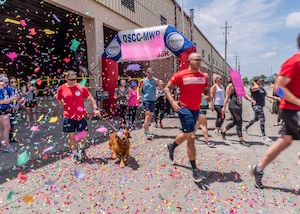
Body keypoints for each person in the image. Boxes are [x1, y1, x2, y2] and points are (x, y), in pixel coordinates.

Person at [249, 33, 300, 189]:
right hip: (293, 110)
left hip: (293, 110)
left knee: (284, 140)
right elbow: (279, 89)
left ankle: (258, 169)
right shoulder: (295, 62)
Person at [165, 52, 213, 182]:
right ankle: (194, 169)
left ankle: (172, 146)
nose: (199, 62)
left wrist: (208, 97)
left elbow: (206, 90)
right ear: (190, 61)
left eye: (200, 60)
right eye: (196, 60)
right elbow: (167, 88)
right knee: (191, 136)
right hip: (184, 108)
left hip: (196, 109)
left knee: (187, 134)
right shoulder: (180, 75)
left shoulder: (203, 76)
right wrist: (172, 101)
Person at [56, 70, 100, 163]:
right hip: (68, 117)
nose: (73, 81)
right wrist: (64, 106)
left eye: (75, 79)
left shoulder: (81, 88)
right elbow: (59, 99)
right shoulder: (61, 88)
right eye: (71, 79)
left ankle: (82, 149)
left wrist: (95, 108)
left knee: (83, 136)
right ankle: (75, 154)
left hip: (81, 116)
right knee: (71, 137)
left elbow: (90, 98)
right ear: (66, 78)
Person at [220, 76, 256, 146]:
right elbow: (227, 96)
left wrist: (251, 100)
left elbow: (244, 95)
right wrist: (224, 107)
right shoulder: (230, 85)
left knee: (235, 122)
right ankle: (241, 140)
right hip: (233, 106)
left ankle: (223, 131)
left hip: (239, 105)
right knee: (239, 122)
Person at [242, 76, 276, 142]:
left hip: (261, 105)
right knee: (262, 119)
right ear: (256, 81)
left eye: (262, 81)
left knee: (256, 119)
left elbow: (266, 94)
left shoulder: (262, 88)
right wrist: (254, 83)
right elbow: (256, 87)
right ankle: (264, 136)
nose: (261, 82)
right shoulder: (253, 88)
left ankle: (245, 128)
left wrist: (275, 98)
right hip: (256, 106)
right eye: (260, 81)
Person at [138, 67, 160, 140]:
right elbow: (138, 88)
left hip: (153, 99)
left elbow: (158, 87)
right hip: (146, 99)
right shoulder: (143, 81)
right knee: (147, 114)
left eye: (152, 74)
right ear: (146, 73)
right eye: (149, 73)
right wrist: (139, 95)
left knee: (150, 114)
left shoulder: (156, 80)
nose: (151, 75)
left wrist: (157, 93)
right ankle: (147, 131)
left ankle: (145, 125)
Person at [0, 76, 18, 152]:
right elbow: (2, 101)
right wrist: (12, 98)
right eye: (5, 82)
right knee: (7, 127)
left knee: (2, 128)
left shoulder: (4, 89)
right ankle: (6, 145)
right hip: (2, 110)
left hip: (5, 110)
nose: (7, 84)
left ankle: (3, 144)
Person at [9, 76, 20, 142]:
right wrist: (13, 107)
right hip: (9, 108)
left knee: (12, 124)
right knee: (8, 124)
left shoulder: (15, 90)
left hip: (14, 108)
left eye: (15, 82)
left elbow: (18, 99)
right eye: (12, 82)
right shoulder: (8, 89)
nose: (13, 83)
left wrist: (18, 105)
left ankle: (11, 137)